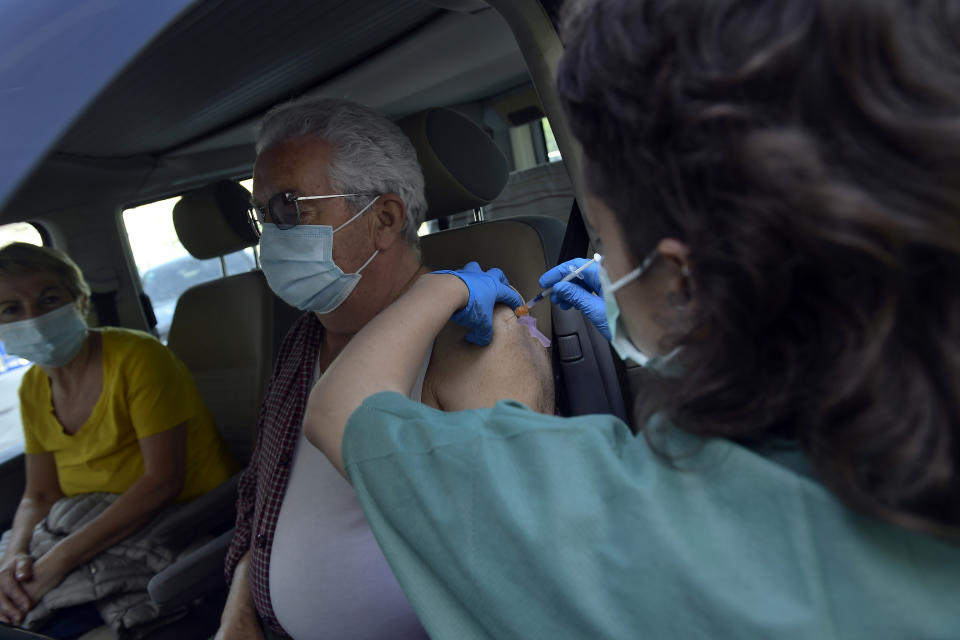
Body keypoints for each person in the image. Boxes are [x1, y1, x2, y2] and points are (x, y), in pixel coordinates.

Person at [302, 0, 960, 637]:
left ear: (682, 284)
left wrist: (442, 289)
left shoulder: (634, 531)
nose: (603, 268)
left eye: (608, 246)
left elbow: (345, 407)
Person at [215, 97, 553, 640]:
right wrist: (239, 610)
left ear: (384, 219)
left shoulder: (477, 337)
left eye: (288, 209)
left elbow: (504, 564)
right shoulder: (303, 341)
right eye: (263, 217)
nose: (269, 238)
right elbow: (260, 496)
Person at [0, 242, 238, 638]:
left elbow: (162, 482)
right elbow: (38, 495)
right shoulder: (32, 387)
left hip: (177, 522)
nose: (34, 318)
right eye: (11, 309)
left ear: (80, 301)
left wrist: (57, 561)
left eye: (48, 299)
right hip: (84, 526)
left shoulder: (138, 357)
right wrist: (14, 557)